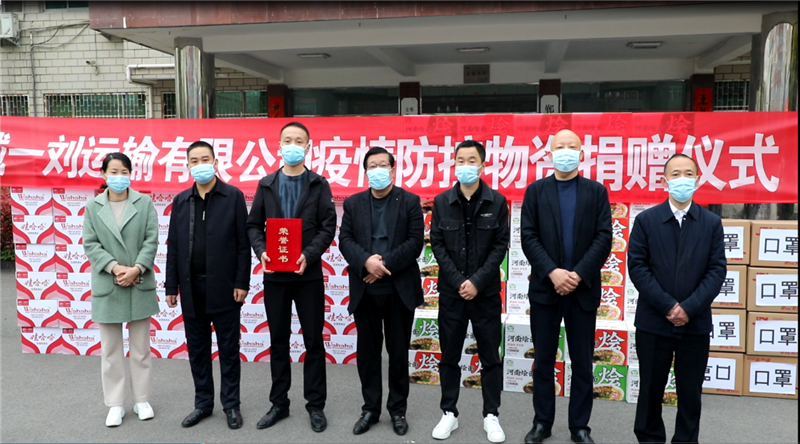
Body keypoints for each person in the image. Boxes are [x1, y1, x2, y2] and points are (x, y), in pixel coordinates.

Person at [520, 129, 612, 444]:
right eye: (560, 146)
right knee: (544, 361)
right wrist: (553, 272)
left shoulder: (596, 192)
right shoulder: (536, 191)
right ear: (549, 153)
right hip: (545, 290)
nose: (566, 151)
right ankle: (542, 422)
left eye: (572, 146)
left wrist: (578, 274)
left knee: (582, 363)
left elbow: (603, 238)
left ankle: (579, 426)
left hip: (582, 290)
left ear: (582, 154)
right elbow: (528, 236)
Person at [628, 153, 726, 444]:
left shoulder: (711, 223)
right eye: (675, 174)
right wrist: (668, 306)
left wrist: (689, 308)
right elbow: (637, 267)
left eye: (688, 174)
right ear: (664, 181)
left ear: (698, 180)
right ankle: (649, 438)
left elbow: (716, 270)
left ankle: (686, 440)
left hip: (695, 323)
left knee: (690, 391)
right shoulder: (646, 221)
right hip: (653, 321)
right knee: (651, 389)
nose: (682, 179)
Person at [246, 121, 336, 432]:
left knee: (313, 341)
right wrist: (262, 251)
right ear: (279, 145)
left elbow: (327, 226)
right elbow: (254, 225)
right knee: (278, 340)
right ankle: (279, 404)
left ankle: (316, 405)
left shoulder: (319, 184)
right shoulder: (266, 184)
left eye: (299, 141)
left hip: (307, 274)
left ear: (308, 147)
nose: (293, 145)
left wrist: (308, 255)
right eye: (288, 140)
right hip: (275, 275)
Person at [338, 147, 424, 436]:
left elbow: (415, 243)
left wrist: (382, 264)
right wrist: (366, 262)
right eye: (371, 166)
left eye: (382, 165)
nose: (377, 170)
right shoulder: (354, 203)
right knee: (368, 354)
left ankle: (397, 410)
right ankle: (370, 409)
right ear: (365, 172)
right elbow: (345, 240)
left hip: (399, 289)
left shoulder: (410, 201)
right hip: (365, 289)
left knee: (398, 353)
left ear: (392, 169)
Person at [165, 141, 251, 430]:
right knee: (197, 350)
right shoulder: (181, 201)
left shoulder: (232, 196)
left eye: (205, 159)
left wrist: (242, 281)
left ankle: (231, 404)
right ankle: (203, 403)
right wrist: (171, 286)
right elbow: (174, 246)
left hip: (225, 287)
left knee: (228, 349)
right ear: (188, 165)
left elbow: (243, 244)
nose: (200, 164)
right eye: (194, 160)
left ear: (215, 163)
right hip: (191, 288)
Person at [429, 140, 509, 443]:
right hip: (452, 294)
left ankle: (492, 415)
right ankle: (449, 412)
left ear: (483, 165)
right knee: (449, 355)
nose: (465, 165)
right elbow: (437, 244)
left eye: (471, 160)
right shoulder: (442, 201)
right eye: (460, 160)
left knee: (490, 357)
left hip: (485, 294)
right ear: (454, 164)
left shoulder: (497, 201)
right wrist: (458, 281)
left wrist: (476, 281)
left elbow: (500, 246)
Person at [82, 152, 159, 427]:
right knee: (111, 350)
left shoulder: (144, 202)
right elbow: (90, 244)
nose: (119, 177)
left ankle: (141, 400)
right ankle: (115, 404)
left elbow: (151, 239)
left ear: (130, 174)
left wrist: (136, 269)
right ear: (104, 174)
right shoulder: (93, 207)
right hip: (108, 283)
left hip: (139, 281)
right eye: (113, 172)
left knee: (141, 349)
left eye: (124, 172)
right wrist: (115, 268)